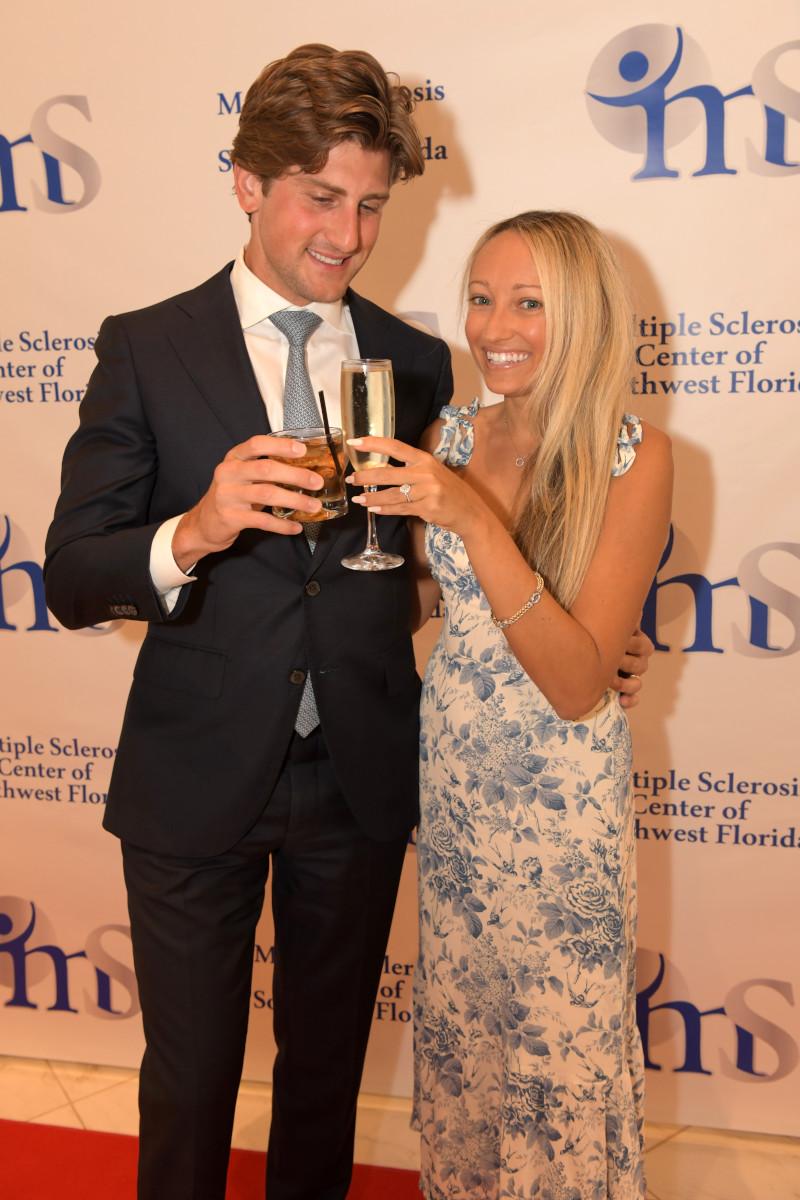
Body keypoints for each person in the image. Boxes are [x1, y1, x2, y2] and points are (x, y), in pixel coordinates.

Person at [43, 41, 651, 1199]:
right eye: (321, 197)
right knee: (190, 1088)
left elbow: (438, 562)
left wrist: (597, 632)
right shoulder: (146, 345)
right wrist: (196, 529)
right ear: (247, 182)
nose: (348, 232)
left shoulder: (416, 366)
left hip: (362, 778)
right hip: (192, 775)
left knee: (324, 1086)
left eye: (370, 205)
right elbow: (70, 576)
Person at [347, 211, 673, 1199]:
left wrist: (469, 519)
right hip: (455, 786)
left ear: (582, 315)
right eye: (482, 298)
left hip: (560, 803)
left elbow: (575, 686)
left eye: (528, 302)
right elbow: (415, 601)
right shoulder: (445, 434)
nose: (495, 327)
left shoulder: (635, 456)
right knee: (470, 1032)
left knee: (556, 1041)